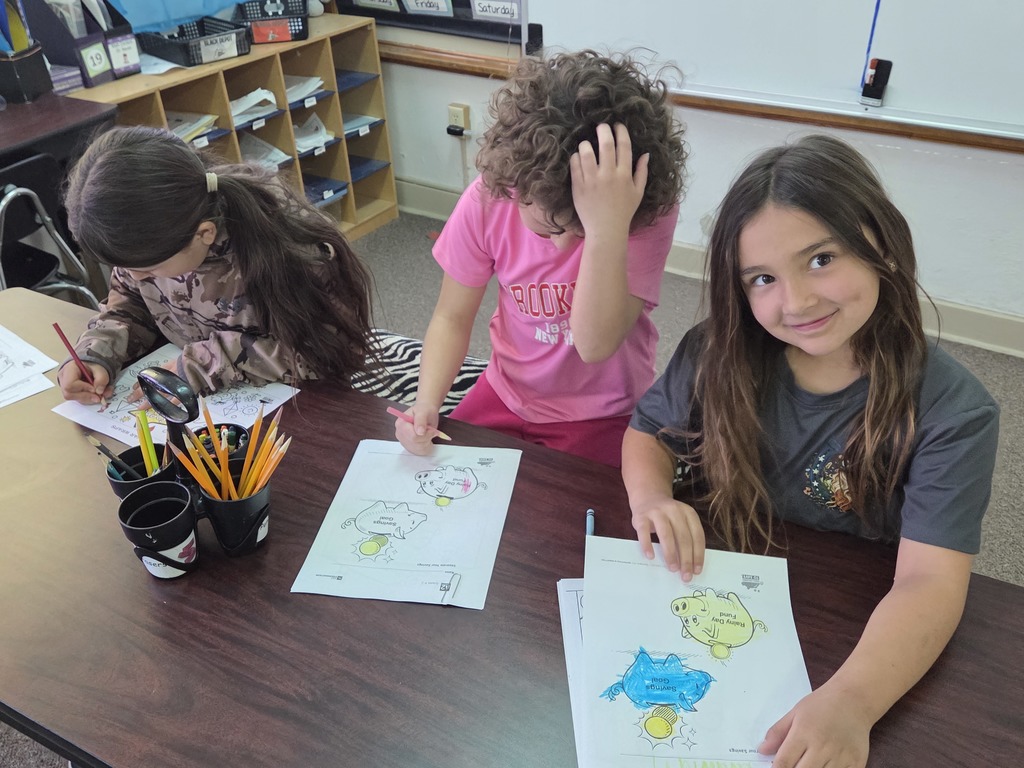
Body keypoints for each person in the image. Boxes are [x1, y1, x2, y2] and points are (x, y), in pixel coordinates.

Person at [622, 134, 999, 767]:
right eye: (763, 279)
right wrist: (651, 496)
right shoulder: (716, 351)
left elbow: (930, 582)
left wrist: (853, 701)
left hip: (857, 626)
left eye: (821, 259)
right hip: (716, 587)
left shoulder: (954, 412)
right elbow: (647, 434)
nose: (796, 301)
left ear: (881, 243)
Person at [394, 50, 687, 466]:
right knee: (440, 475)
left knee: (583, 503)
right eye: (550, 229)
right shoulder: (490, 197)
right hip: (506, 391)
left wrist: (606, 229)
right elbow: (451, 317)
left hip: (602, 410)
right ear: (517, 185)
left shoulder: (644, 212)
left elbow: (594, 345)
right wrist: (426, 402)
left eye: (581, 232)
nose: (564, 247)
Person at [57, 125, 374, 403]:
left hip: (296, 406)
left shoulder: (287, 252)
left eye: (150, 269)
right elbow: (130, 303)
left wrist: (204, 364)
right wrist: (97, 353)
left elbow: (330, 352)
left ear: (204, 234)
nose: (136, 276)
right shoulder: (151, 244)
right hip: (206, 402)